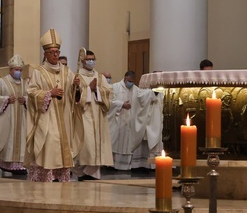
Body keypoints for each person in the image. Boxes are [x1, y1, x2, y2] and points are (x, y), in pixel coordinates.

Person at [25, 28, 79, 182]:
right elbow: (31, 92)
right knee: (49, 144)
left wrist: (76, 86)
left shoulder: (67, 72)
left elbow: (73, 95)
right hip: (46, 119)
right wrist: (49, 93)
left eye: (57, 51)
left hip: (63, 119)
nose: (56, 54)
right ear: (45, 54)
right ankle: (46, 177)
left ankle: (59, 178)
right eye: (52, 52)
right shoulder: (39, 72)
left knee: (62, 146)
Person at [108, 71, 163, 171]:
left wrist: (155, 92)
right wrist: (121, 104)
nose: (131, 83)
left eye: (133, 81)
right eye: (129, 81)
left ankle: (127, 164)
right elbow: (109, 101)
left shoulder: (136, 90)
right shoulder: (115, 87)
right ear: (124, 78)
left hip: (130, 122)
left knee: (127, 143)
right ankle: (113, 165)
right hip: (118, 120)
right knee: (116, 142)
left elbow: (145, 96)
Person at [73, 50, 113, 180]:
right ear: (83, 61)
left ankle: (91, 173)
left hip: (99, 114)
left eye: (93, 59)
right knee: (87, 145)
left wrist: (97, 90)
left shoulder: (100, 76)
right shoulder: (77, 77)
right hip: (83, 115)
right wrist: (88, 89)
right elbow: (74, 95)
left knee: (97, 145)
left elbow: (108, 92)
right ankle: (83, 171)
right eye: (88, 59)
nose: (91, 62)